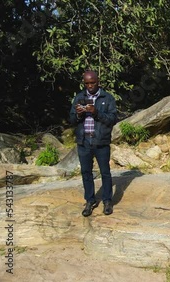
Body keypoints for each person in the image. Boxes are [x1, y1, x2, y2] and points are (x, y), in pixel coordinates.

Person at [69, 71, 118, 217]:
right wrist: (78, 114)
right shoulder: (79, 97)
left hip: (101, 141)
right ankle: (90, 201)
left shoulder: (107, 98)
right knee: (86, 172)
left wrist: (96, 112)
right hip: (84, 142)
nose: (90, 86)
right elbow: (71, 120)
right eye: (87, 83)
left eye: (92, 83)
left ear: (98, 82)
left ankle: (107, 201)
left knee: (105, 172)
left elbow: (113, 119)